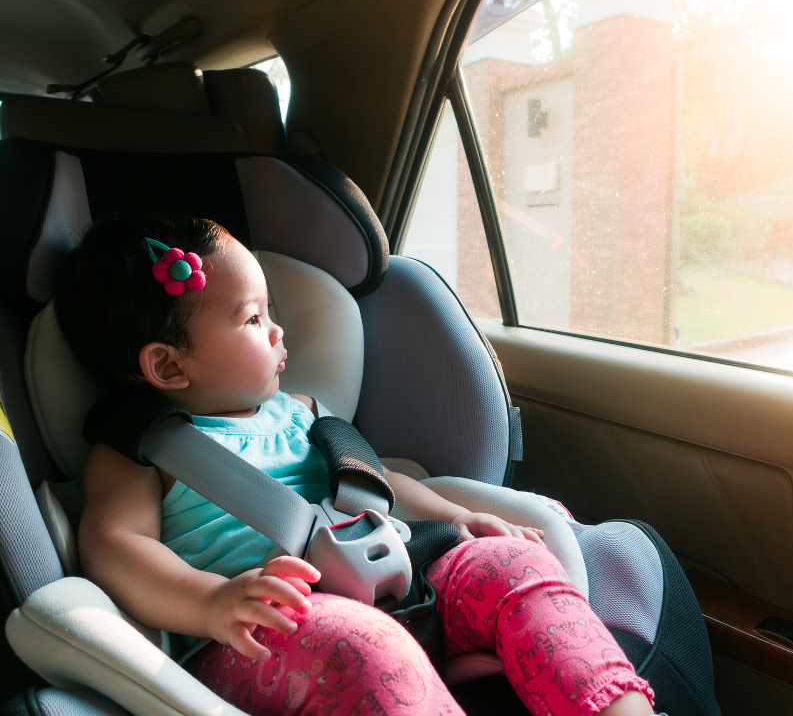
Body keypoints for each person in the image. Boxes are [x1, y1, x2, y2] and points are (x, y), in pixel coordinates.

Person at [54, 212, 657, 716]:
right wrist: (211, 601)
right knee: (369, 652)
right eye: (252, 318)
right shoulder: (143, 446)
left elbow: (379, 484)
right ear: (168, 367)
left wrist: (458, 518)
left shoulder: (301, 415)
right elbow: (114, 544)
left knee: (513, 563)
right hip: (264, 634)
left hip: (399, 584)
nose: (277, 329)